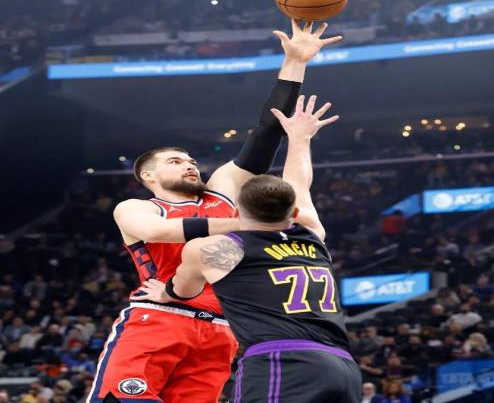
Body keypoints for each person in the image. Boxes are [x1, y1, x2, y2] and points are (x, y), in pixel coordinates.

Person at [87, 21, 343, 403]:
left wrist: (295, 63)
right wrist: (252, 224)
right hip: (162, 315)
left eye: (191, 160)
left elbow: (266, 133)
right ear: (148, 176)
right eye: (175, 161)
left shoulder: (220, 188)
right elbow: (159, 233)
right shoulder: (137, 207)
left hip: (223, 329)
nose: (189, 165)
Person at [134, 95, 362, 402]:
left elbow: (183, 290)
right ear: (292, 212)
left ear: (237, 213)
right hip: (343, 366)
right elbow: (299, 186)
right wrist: (300, 139)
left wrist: (165, 292)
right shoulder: (311, 235)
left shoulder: (223, 249)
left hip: (282, 362)